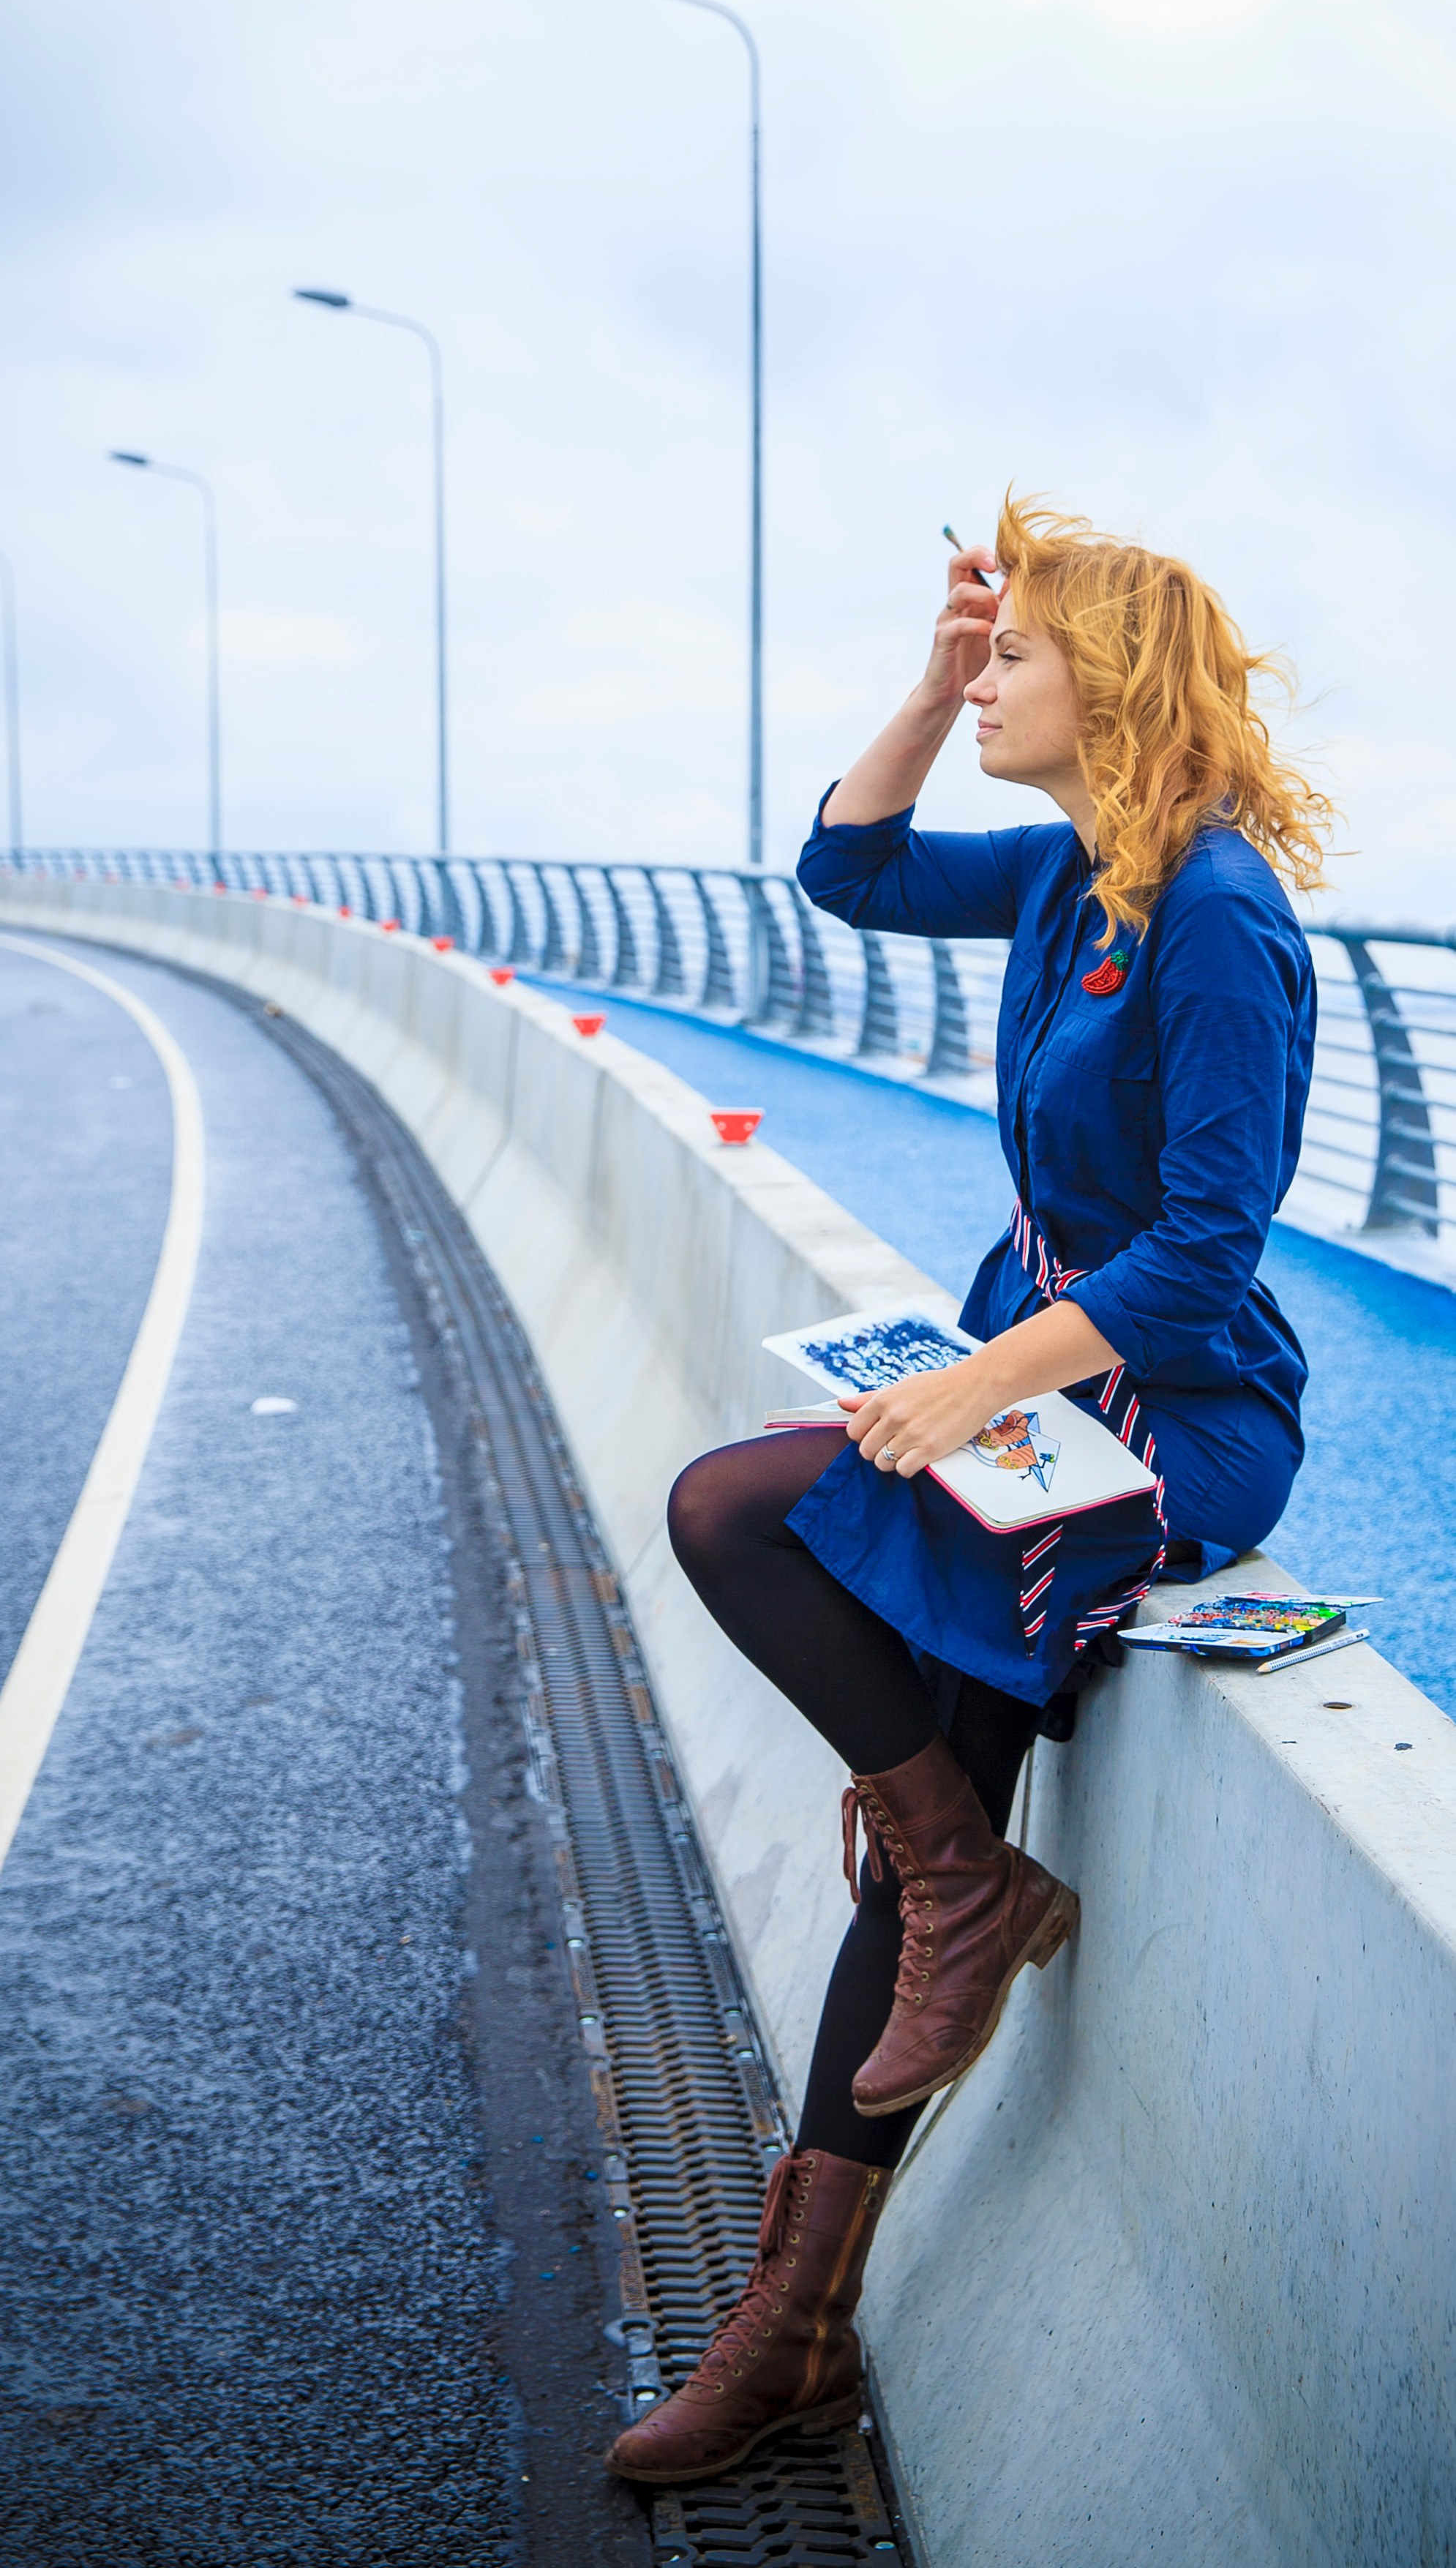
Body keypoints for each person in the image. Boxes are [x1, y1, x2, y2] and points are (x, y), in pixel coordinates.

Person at [609, 496, 1332, 2489]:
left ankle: (936, 1922)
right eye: (981, 652)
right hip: (1038, 1388)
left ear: (1113, 683)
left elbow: (1207, 1244)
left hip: (1166, 1415)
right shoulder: (1067, 877)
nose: (987, 671)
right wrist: (926, 689)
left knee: (741, 1516)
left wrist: (971, 1390)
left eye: (1013, 655)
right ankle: (814, 2293)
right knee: (929, 1777)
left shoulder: (1215, 912)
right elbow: (841, 871)